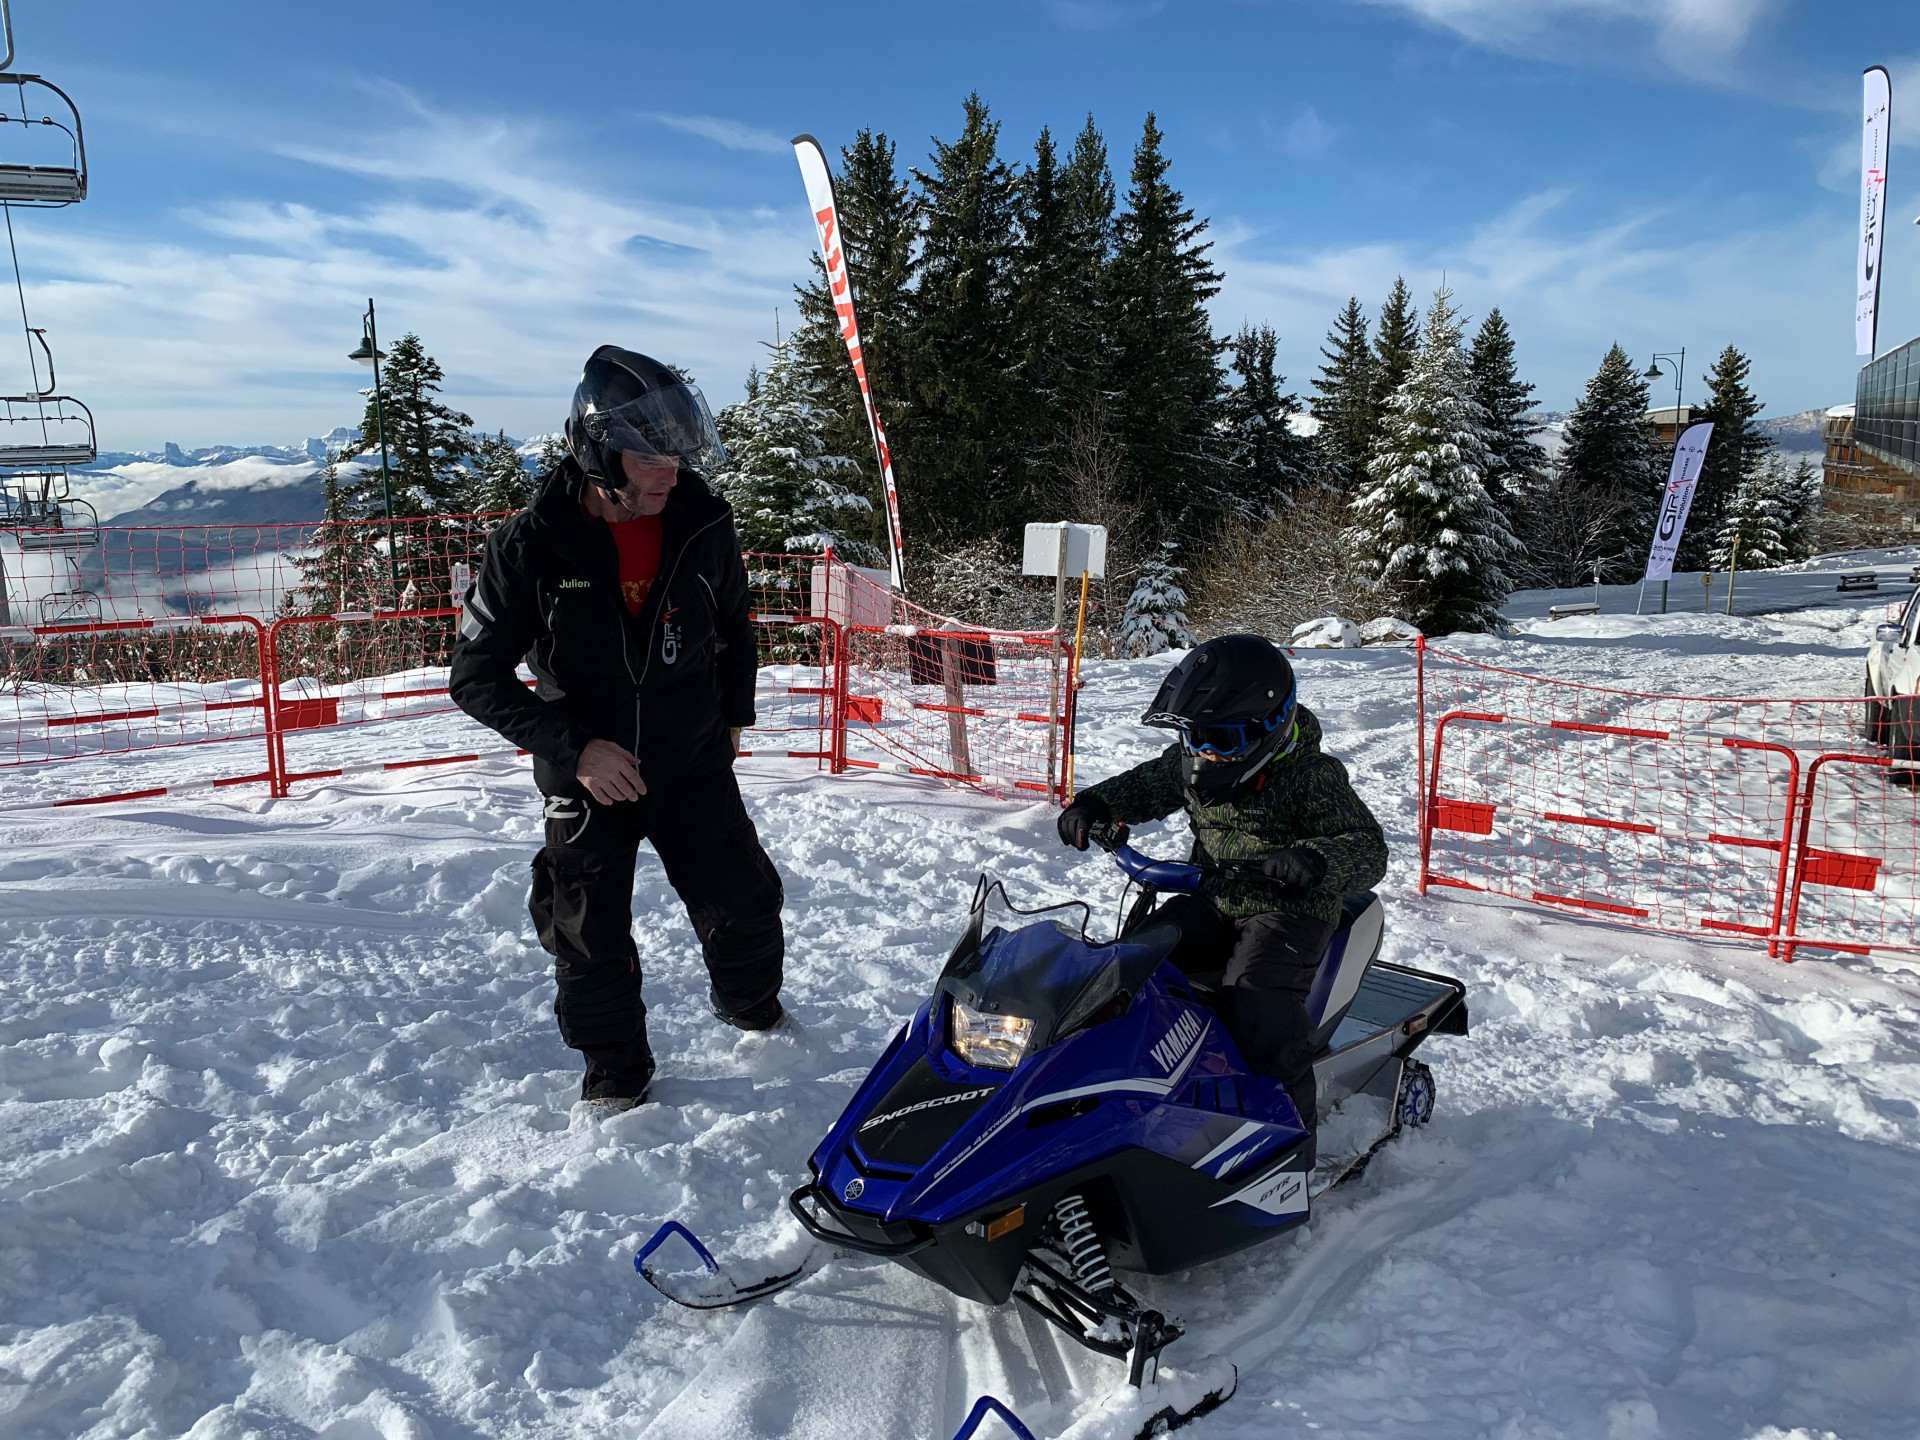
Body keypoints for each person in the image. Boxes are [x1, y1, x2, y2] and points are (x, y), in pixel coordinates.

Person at [450, 345, 786, 1111]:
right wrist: (574, 749)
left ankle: (750, 1005)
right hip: (588, 772)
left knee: (746, 902)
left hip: (690, 758)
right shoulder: (528, 547)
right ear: (601, 454)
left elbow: (734, 626)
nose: (672, 473)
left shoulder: (703, 523)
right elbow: (473, 677)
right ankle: (616, 1070)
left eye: (680, 456)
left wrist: (733, 716)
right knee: (588, 932)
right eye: (651, 459)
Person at [1054, 634, 1386, 1131]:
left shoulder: (1311, 775)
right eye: (1195, 738)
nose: (1206, 755)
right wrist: (1095, 806)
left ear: (1268, 727)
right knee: (1128, 968)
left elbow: (1368, 847)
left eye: (1222, 741)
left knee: (1256, 1000)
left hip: (1289, 910)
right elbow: (1144, 786)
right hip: (1211, 895)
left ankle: (1288, 1141)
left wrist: (1314, 859)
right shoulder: (1195, 762)